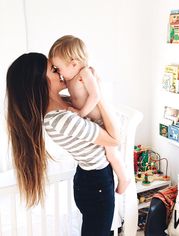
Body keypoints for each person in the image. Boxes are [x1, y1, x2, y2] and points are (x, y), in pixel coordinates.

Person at [6, 52, 120, 236]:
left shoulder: (65, 104)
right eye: (53, 69)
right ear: (40, 82)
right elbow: (115, 139)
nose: (60, 72)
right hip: (96, 183)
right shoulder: (59, 119)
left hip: (93, 178)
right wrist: (98, 94)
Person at [48, 35, 130, 194]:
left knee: (111, 153)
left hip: (101, 120)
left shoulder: (84, 73)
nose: (58, 72)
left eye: (58, 68)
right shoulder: (70, 78)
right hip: (92, 121)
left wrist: (81, 113)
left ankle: (124, 177)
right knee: (109, 152)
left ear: (73, 64)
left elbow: (96, 96)